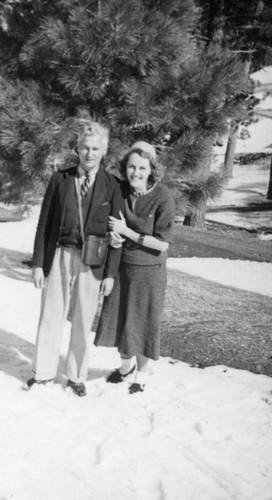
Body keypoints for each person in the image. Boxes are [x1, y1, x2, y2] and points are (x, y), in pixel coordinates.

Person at [23, 121, 124, 397]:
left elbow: (117, 232)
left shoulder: (113, 186)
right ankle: (42, 373)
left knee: (82, 319)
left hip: (93, 262)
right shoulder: (60, 179)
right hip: (61, 255)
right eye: (85, 148)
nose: (89, 154)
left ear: (104, 151)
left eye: (95, 149)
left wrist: (111, 274)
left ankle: (76, 376)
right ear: (77, 149)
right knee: (51, 314)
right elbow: (44, 223)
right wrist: (39, 264)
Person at [95, 141, 175, 394]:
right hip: (123, 268)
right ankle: (125, 367)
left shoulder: (163, 196)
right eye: (131, 167)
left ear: (152, 169)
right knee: (121, 320)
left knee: (142, 322)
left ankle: (141, 374)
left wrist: (126, 232)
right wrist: (113, 237)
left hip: (149, 271)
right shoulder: (121, 190)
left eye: (142, 167)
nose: (136, 173)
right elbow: (110, 224)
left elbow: (162, 245)